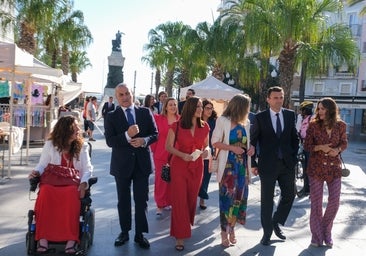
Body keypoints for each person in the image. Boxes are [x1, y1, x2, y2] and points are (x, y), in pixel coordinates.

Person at [104, 83, 158, 249]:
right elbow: (110, 141)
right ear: (117, 97)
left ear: (132, 94)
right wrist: (128, 135)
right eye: (121, 95)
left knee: (141, 201)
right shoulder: (111, 116)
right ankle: (124, 232)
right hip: (122, 165)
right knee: (123, 200)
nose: (125, 97)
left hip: (142, 164)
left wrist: (144, 140)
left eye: (127, 93)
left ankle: (140, 234)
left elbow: (155, 134)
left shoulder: (145, 112)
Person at [28, 116, 92, 254]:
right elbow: (42, 165)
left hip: (72, 183)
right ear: (66, 129)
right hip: (52, 181)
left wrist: (84, 183)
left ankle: (71, 239)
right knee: (45, 192)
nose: (79, 130)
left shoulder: (83, 146)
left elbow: (88, 169)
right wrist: (36, 172)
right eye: (75, 127)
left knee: (70, 193)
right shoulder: (50, 144)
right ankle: (43, 238)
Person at [250, 86, 299, 246]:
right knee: (267, 201)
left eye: (281, 97)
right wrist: (253, 163)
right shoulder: (260, 117)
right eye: (275, 97)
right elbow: (253, 141)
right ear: (268, 99)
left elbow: (294, 138)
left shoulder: (290, 115)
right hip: (267, 165)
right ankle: (267, 233)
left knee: (290, 195)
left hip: (287, 164)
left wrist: (293, 156)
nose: (279, 100)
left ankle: (276, 221)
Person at [165, 96, 210, 251]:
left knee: (191, 199)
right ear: (190, 108)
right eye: (197, 106)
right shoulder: (176, 126)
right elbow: (168, 147)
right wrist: (182, 155)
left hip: (197, 167)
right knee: (179, 201)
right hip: (179, 167)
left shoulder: (205, 126)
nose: (200, 109)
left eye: (201, 107)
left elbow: (207, 146)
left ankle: (184, 226)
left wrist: (206, 152)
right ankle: (180, 237)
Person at [211, 94, 255, 247]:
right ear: (240, 107)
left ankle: (232, 229)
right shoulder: (222, 121)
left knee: (239, 199)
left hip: (242, 167)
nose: (249, 110)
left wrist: (251, 149)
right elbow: (214, 141)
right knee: (226, 201)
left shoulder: (246, 123)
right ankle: (224, 232)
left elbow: (247, 144)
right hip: (228, 167)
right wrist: (231, 148)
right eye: (247, 106)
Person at [304, 97, 347, 248]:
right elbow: (307, 145)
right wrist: (320, 147)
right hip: (316, 168)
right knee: (316, 204)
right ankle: (316, 236)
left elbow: (344, 142)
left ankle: (326, 232)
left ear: (330, 110)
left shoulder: (341, 125)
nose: (319, 111)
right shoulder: (313, 125)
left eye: (323, 109)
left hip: (334, 168)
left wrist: (337, 150)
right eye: (319, 108)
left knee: (334, 201)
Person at [151, 97, 180, 216]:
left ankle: (169, 201)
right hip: (161, 154)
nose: (173, 106)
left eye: (174, 104)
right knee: (161, 180)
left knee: (173, 180)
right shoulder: (158, 119)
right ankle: (159, 204)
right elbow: (153, 135)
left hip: (176, 154)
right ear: (166, 107)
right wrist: (154, 150)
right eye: (170, 105)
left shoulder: (181, 120)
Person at [198, 99, 217, 210]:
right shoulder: (196, 120)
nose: (209, 110)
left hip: (210, 153)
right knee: (197, 176)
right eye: (207, 108)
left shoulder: (214, 122)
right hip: (196, 152)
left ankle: (202, 199)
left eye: (211, 108)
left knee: (206, 177)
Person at [296, 101, 314, 198]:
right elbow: (299, 130)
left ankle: (309, 189)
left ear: (305, 110)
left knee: (309, 169)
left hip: (310, 148)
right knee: (306, 168)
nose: (301, 112)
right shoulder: (304, 119)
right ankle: (307, 188)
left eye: (302, 110)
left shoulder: (312, 119)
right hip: (305, 145)